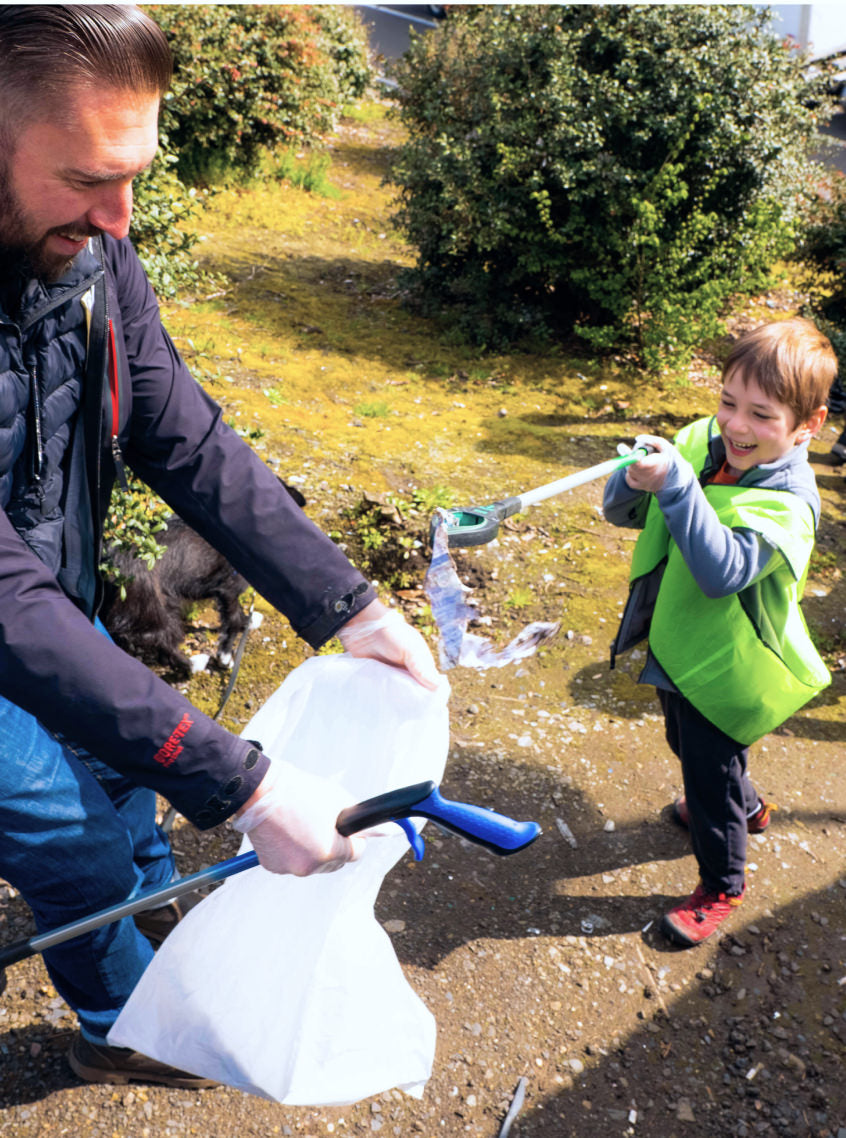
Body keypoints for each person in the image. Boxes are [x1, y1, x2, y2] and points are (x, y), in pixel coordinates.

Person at [0, 4, 439, 1087]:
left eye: (138, 173)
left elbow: (181, 432)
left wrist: (350, 603)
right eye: (88, 178)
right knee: (74, 843)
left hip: (57, 601)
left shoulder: (95, 257)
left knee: (120, 779)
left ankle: (163, 942)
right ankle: (124, 1022)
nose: (121, 214)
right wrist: (242, 786)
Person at [603, 318, 836, 947]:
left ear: (808, 426)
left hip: (729, 669)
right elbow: (625, 513)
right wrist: (631, 478)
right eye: (728, 402)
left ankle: (722, 883)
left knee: (710, 773)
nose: (735, 426)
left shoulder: (790, 505)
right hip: (681, 646)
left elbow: (722, 571)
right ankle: (747, 806)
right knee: (686, 743)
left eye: (762, 415)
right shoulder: (706, 442)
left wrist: (678, 484)